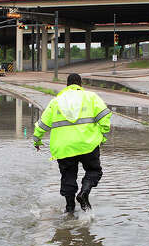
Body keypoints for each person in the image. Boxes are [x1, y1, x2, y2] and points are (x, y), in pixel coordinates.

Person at [33, 73, 111, 212]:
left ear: (67, 85)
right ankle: (84, 192)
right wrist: (102, 137)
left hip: (64, 148)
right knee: (93, 171)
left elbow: (42, 125)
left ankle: (69, 209)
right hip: (88, 144)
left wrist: (37, 140)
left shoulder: (56, 101)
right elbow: (104, 117)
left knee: (68, 176)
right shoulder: (91, 97)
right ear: (80, 84)